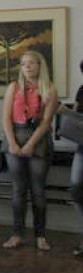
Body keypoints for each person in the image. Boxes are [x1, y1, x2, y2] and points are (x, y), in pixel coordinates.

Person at [1, 50, 59, 251]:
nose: (27, 67)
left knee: (38, 191)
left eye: (32, 63)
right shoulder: (13, 87)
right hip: (15, 135)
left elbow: (45, 123)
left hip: (38, 140)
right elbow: (5, 118)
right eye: (24, 63)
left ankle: (40, 235)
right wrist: (12, 143)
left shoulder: (49, 89)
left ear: (40, 66)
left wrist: (30, 144)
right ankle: (17, 234)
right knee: (18, 190)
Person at [65, 59, 83, 257]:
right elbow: (78, 117)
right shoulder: (82, 90)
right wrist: (68, 113)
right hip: (82, 147)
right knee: (77, 188)